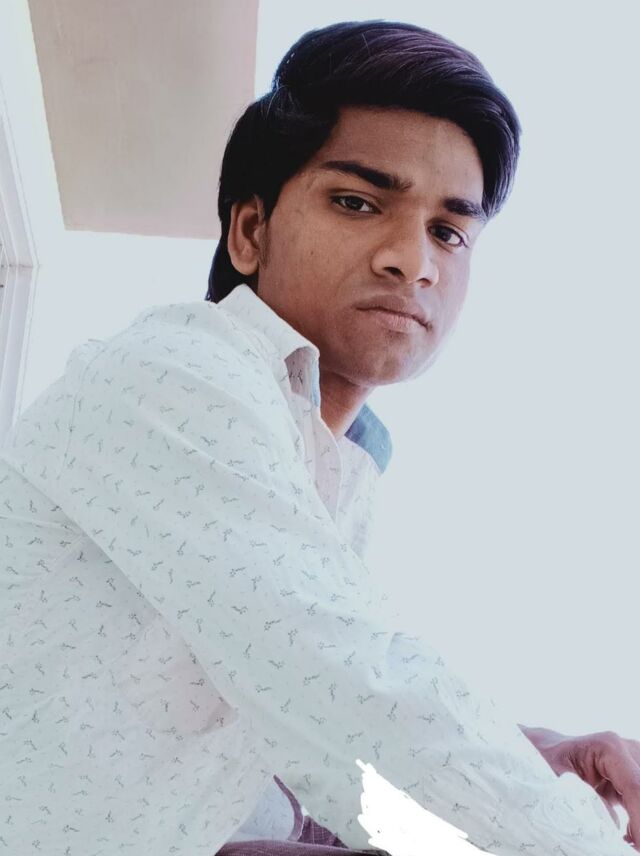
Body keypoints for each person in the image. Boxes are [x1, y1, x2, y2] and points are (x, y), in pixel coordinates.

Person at [0, 19, 638, 856]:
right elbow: (347, 685)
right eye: (357, 202)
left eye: (448, 232)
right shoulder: (178, 374)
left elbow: (294, 717)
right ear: (250, 232)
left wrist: (529, 755)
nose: (413, 261)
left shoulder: (331, 460)